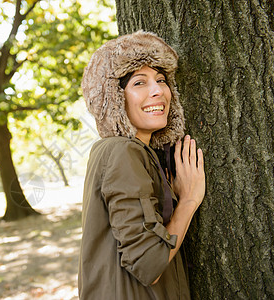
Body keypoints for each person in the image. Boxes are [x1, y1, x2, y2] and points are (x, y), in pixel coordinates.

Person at [78, 31, 206, 299]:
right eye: (139, 83)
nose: (158, 90)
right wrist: (189, 201)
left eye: (161, 80)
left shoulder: (120, 151)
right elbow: (149, 266)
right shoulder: (123, 151)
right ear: (113, 98)